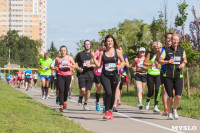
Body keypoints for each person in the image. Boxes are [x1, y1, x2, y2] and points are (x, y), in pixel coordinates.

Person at [91, 35, 125, 120]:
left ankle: (110, 110)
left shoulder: (117, 51)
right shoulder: (103, 52)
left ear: (113, 42)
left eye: (111, 41)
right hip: (105, 75)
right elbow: (98, 65)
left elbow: (123, 62)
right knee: (108, 92)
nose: (109, 43)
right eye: (108, 41)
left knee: (113, 93)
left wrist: (120, 65)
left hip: (114, 75)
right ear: (105, 42)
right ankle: (106, 111)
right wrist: (93, 58)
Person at [159, 34, 187, 120]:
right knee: (170, 96)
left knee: (178, 96)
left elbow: (185, 59)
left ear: (179, 41)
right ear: (171, 40)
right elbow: (160, 61)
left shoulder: (181, 50)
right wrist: (168, 61)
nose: (175, 41)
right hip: (168, 76)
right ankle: (169, 112)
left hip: (179, 76)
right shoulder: (166, 50)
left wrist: (183, 64)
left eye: (177, 40)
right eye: (173, 40)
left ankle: (174, 109)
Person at [55, 46, 77, 112]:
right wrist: (56, 68)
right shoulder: (57, 58)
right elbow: (56, 66)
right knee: (61, 90)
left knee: (66, 90)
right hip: (60, 75)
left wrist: (70, 65)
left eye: (64, 50)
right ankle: (61, 105)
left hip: (68, 75)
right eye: (61, 50)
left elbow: (75, 66)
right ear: (60, 51)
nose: (62, 52)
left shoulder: (69, 58)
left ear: (66, 51)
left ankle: (64, 101)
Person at [75, 40, 95, 110]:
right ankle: (80, 98)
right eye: (86, 44)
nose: (87, 45)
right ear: (83, 45)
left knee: (88, 91)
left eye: (88, 44)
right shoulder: (80, 54)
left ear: (90, 45)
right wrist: (78, 68)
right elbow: (75, 63)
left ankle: (85, 104)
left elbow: (97, 64)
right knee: (83, 89)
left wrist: (91, 65)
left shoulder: (93, 54)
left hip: (90, 74)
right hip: (82, 74)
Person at [144, 42, 162, 113]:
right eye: (155, 48)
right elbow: (144, 63)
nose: (157, 49)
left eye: (158, 48)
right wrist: (151, 64)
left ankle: (156, 106)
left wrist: (160, 65)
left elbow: (163, 62)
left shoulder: (161, 55)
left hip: (158, 75)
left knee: (158, 90)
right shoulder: (150, 54)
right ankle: (148, 100)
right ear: (153, 48)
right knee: (151, 91)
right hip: (150, 74)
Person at [160, 33, 173, 116]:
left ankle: (172, 103)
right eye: (168, 38)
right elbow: (158, 59)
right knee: (164, 89)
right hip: (163, 71)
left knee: (173, 91)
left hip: (173, 72)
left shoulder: (175, 49)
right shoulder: (162, 49)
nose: (169, 40)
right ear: (165, 39)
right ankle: (166, 108)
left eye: (171, 38)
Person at [92, 40, 106, 111]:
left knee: (105, 90)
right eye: (103, 45)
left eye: (105, 45)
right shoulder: (97, 52)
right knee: (98, 89)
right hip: (98, 73)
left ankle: (104, 105)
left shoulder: (108, 52)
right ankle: (97, 102)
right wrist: (96, 60)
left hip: (105, 73)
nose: (104, 46)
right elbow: (92, 61)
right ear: (101, 45)